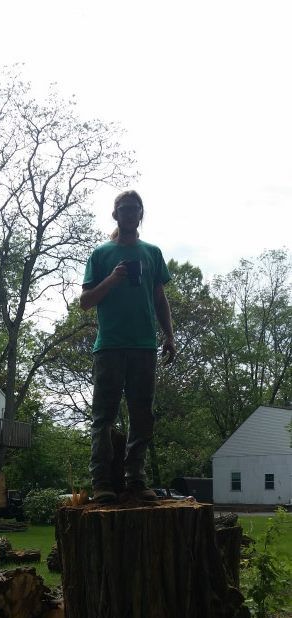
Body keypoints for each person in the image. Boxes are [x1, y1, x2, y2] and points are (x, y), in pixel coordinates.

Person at [80, 190, 175, 502]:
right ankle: (102, 484)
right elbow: (85, 302)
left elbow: (160, 298)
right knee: (103, 417)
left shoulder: (152, 253)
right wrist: (113, 278)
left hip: (144, 347)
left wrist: (169, 336)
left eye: (135, 209)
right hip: (109, 347)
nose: (130, 213)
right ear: (115, 215)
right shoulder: (101, 255)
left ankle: (135, 479)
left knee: (142, 415)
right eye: (124, 209)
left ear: (141, 214)